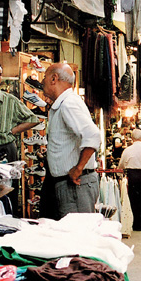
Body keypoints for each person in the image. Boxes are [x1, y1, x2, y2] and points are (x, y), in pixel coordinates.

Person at [42, 62, 100, 218]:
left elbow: (93, 135)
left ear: (54, 78)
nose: (42, 82)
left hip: (75, 186)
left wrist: (78, 168)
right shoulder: (62, 104)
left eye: (44, 77)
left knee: (77, 235)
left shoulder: (68, 104)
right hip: (69, 185)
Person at [119, 129, 141, 231]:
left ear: (132, 138)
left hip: (132, 176)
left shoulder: (127, 150)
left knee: (134, 200)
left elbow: (121, 165)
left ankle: (137, 223)